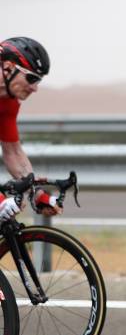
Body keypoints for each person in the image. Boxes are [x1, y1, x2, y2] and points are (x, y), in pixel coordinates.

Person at [0, 37, 62, 220]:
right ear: (8, 67)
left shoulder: (8, 103)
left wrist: (37, 193)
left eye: (38, 81)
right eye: (31, 78)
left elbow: (13, 152)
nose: (35, 88)